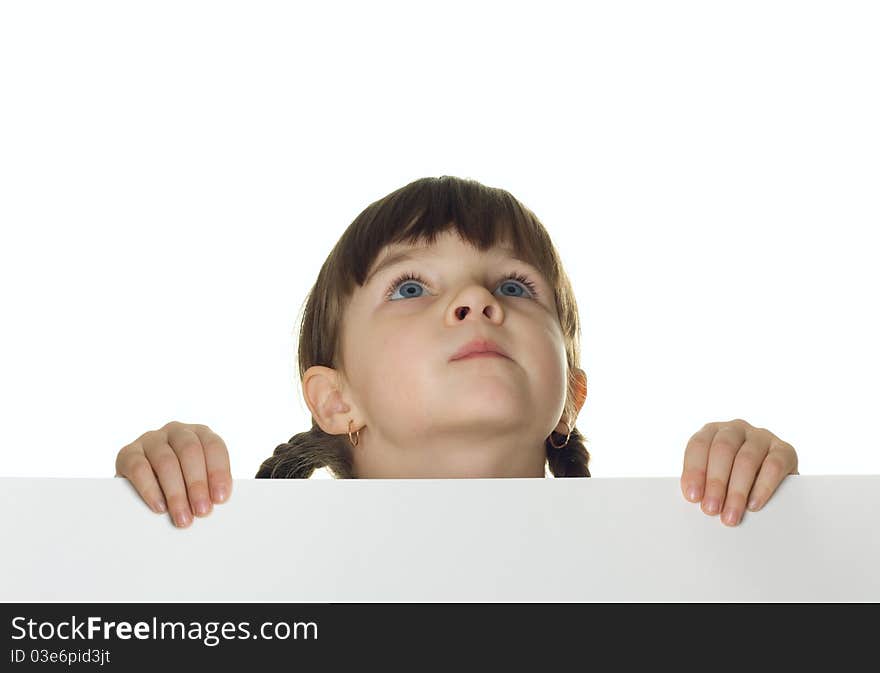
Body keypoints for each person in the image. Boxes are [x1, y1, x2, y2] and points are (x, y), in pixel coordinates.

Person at [114, 176, 799, 529]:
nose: (476, 300)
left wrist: (761, 505)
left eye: (513, 284)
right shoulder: (245, 564)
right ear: (334, 399)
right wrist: (160, 498)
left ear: (570, 398)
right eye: (409, 285)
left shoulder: (675, 548)